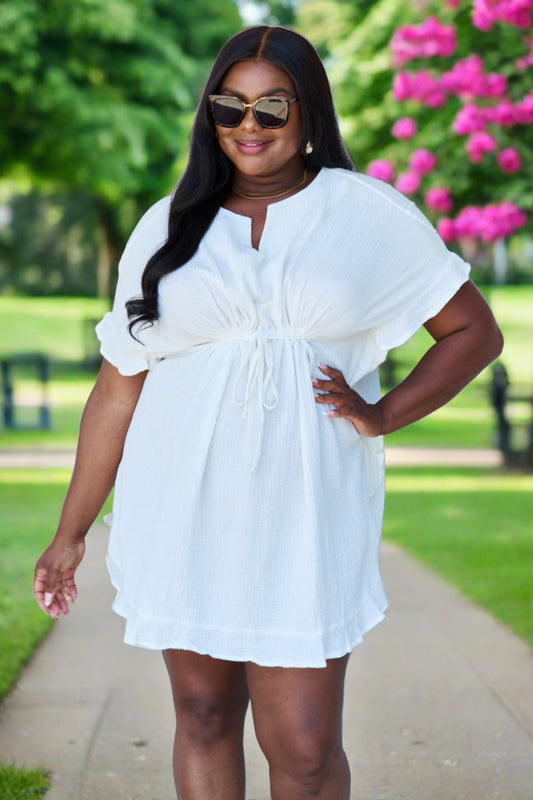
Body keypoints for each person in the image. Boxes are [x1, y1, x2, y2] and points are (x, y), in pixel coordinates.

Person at [33, 25, 503, 800]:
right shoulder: (165, 226)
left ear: (308, 114)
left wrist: (384, 412)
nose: (247, 127)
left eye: (270, 108)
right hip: (180, 509)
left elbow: (472, 332)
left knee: (306, 747)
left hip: (305, 517)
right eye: (229, 107)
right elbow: (118, 388)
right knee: (204, 714)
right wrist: (70, 532)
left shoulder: (367, 215)